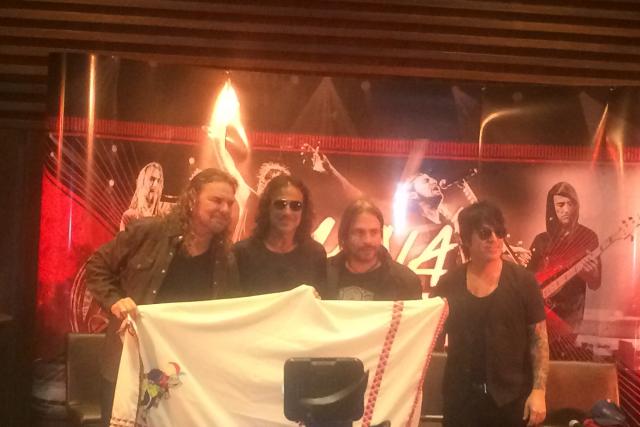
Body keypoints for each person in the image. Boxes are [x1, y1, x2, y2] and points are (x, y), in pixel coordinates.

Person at [85, 168, 239, 427]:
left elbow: (232, 313)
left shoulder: (226, 258)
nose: (225, 209)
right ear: (192, 199)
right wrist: (115, 302)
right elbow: (96, 265)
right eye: (216, 200)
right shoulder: (148, 232)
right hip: (129, 367)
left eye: (230, 203)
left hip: (185, 378)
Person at [431, 201, 548, 427]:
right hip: (460, 400)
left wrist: (539, 391)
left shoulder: (524, 282)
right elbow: (429, 336)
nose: (494, 238)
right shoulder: (448, 283)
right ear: (466, 239)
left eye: (499, 232)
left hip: (511, 400)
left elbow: (539, 339)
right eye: (485, 233)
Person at [233, 175, 327, 297]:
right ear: (267, 208)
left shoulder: (315, 254)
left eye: (296, 206)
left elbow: (323, 301)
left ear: (303, 212)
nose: (287, 212)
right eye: (280, 204)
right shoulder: (241, 253)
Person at [528, 182, 601, 330]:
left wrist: (593, 274)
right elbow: (527, 281)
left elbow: (595, 284)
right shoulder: (541, 240)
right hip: (540, 315)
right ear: (552, 207)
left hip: (570, 319)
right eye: (560, 205)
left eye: (570, 204)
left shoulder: (588, 237)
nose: (566, 210)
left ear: (576, 206)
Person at [327, 199, 422, 301]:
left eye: (374, 232)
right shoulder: (323, 274)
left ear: (381, 234)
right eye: (359, 232)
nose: (367, 240)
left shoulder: (406, 281)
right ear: (345, 235)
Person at [120, 162, 167, 231]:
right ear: (143, 181)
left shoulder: (162, 218)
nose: (155, 184)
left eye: (158, 181)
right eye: (152, 179)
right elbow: (123, 237)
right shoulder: (129, 215)